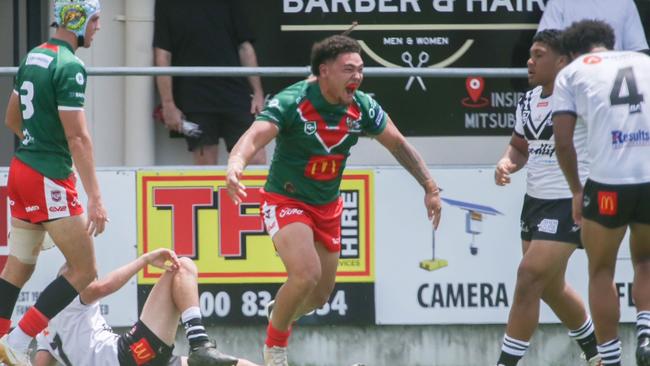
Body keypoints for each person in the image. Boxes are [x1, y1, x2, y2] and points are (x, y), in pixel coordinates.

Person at [225, 35, 443, 366]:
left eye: (360, 69)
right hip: (285, 200)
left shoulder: (362, 107)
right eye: (348, 69)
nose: (356, 76)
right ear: (324, 71)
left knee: (320, 295)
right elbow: (254, 136)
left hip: (328, 208)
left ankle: (281, 310)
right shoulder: (293, 101)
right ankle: (275, 351)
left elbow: (397, 144)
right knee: (306, 273)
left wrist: (429, 186)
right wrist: (235, 165)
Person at [0, 1, 109, 364]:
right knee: (85, 269)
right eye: (94, 20)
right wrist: (95, 197)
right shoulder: (70, 65)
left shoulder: (33, 56)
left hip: (21, 169)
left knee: (19, 266)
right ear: (76, 21)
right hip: (47, 176)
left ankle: (2, 339)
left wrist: (39, 144)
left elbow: (12, 118)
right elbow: (78, 138)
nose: (97, 28)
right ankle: (16, 339)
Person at [494, 29, 600, 366]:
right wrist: (507, 161)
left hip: (568, 201)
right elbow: (520, 146)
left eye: (539, 55)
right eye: (530, 54)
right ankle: (597, 355)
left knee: (528, 276)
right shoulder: (528, 100)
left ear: (563, 61)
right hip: (534, 201)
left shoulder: (581, 97)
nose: (529, 61)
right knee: (550, 287)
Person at [553, 20, 650, 366]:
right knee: (646, 260)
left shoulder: (572, 72)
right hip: (649, 177)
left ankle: (610, 359)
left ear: (571, 52)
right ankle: (647, 331)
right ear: (609, 42)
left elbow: (563, 143)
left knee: (601, 270)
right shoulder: (644, 62)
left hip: (608, 182)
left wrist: (577, 190)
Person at [32, 248, 257, 366]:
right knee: (183, 266)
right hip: (128, 357)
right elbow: (104, 287)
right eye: (88, 275)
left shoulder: (45, 333)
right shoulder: (70, 297)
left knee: (228, 365)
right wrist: (146, 259)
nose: (91, 278)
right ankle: (199, 343)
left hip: (136, 359)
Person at [153, 0, 266, 165]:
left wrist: (258, 92)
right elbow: (163, 54)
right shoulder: (167, 3)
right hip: (194, 98)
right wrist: (168, 104)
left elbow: (245, 47)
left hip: (235, 93)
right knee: (205, 165)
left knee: (256, 160)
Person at [537, 0, 649, 54]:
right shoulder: (559, 2)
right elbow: (544, 43)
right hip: (573, 77)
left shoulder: (624, 2)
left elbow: (638, 51)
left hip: (614, 78)